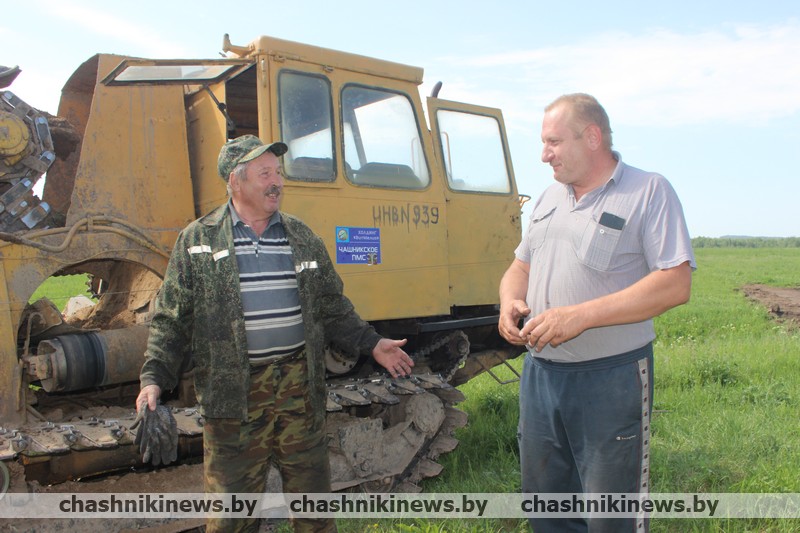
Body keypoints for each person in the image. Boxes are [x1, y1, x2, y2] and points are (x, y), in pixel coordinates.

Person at [136, 134, 414, 533]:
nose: (276, 181)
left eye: (278, 172)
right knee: (233, 515)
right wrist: (153, 379)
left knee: (313, 509)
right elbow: (171, 319)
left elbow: (332, 306)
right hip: (233, 397)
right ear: (235, 181)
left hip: (298, 392)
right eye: (265, 173)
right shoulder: (197, 241)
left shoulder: (301, 238)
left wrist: (373, 344)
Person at [498, 93, 695, 533]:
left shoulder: (648, 191)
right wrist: (509, 300)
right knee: (547, 509)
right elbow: (520, 266)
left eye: (553, 141)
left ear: (591, 137)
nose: (544, 154)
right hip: (541, 377)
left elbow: (675, 283)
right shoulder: (549, 197)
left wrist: (579, 316)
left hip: (611, 378)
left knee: (612, 516)